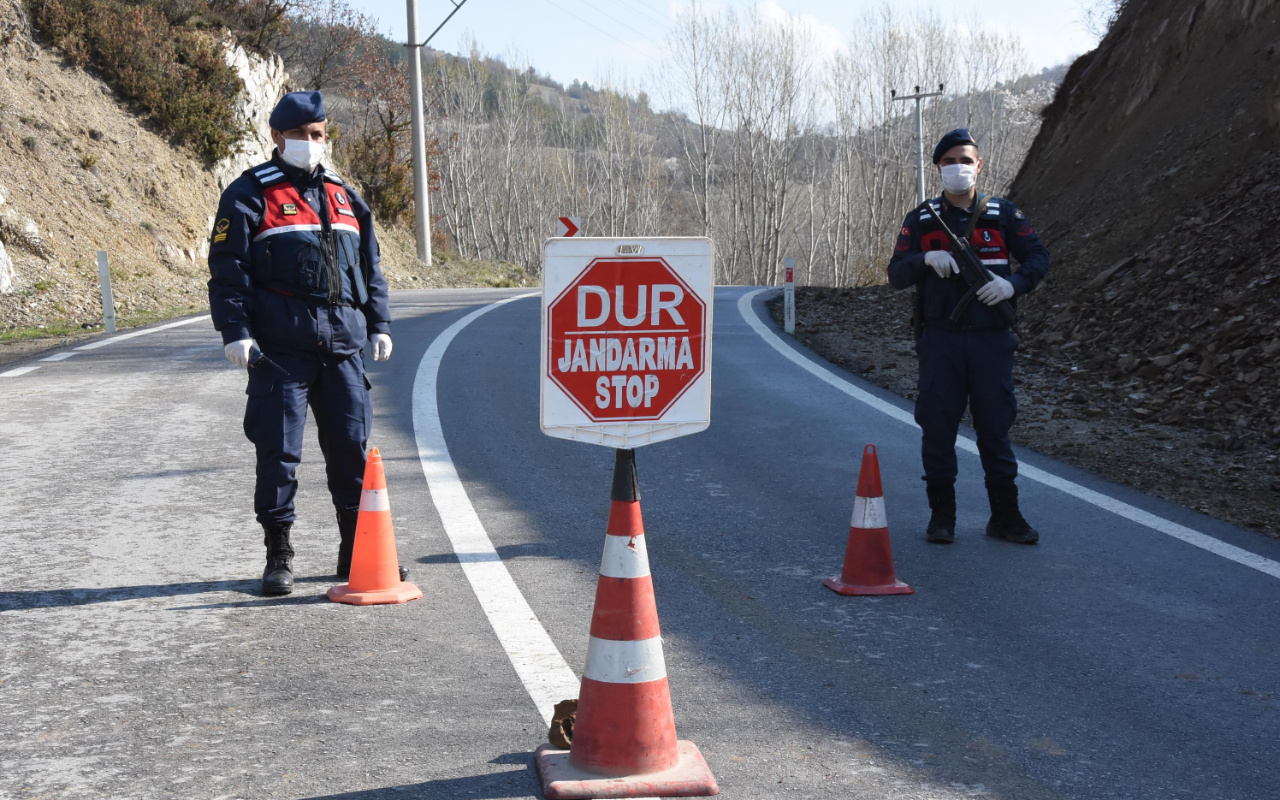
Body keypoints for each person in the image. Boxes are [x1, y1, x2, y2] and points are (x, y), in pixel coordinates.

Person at [208, 91, 398, 594]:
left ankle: (356, 551)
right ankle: (279, 555)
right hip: (279, 347)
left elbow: (370, 268)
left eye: (318, 135)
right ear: (276, 136)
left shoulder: (344, 195)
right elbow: (228, 271)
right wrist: (236, 331)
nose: (311, 144)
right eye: (300, 136)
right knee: (279, 452)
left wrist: (379, 323)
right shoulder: (249, 193)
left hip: (343, 346)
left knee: (352, 450)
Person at [886, 128, 1050, 545]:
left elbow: (1038, 257)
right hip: (941, 340)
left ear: (979, 165)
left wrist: (1012, 285)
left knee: (995, 427)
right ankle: (942, 516)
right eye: (949, 161)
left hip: (991, 340)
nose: (958, 168)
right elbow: (896, 274)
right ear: (938, 168)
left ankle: (1006, 517)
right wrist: (926, 257)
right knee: (937, 427)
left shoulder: (1004, 214)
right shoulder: (922, 219)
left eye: (966, 160)